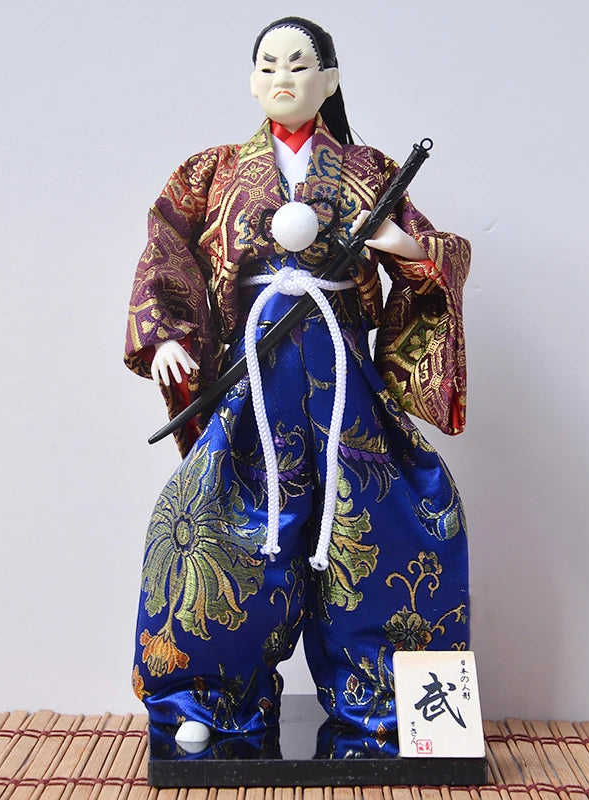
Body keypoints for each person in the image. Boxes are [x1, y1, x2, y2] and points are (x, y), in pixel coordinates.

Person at [125, 16, 472, 753]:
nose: (282, 77)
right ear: (252, 81)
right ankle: (211, 703)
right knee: (222, 529)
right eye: (268, 65)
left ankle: (386, 704)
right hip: (257, 374)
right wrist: (165, 336)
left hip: (342, 372)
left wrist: (405, 247)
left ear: (330, 79)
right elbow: (167, 248)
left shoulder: (369, 169)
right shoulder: (210, 172)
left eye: (299, 64)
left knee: (383, 522)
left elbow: (441, 254)